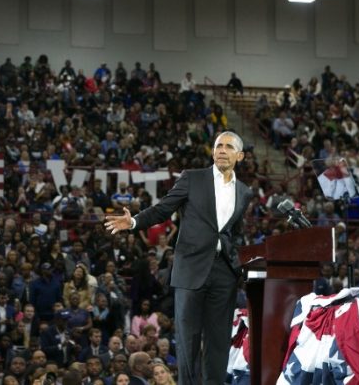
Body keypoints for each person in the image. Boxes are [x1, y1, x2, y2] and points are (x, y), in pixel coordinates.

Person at [106, 131, 253, 385]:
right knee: (188, 342)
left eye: (228, 146)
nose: (221, 150)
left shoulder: (244, 191)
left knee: (218, 342)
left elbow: (235, 233)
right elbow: (163, 208)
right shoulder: (193, 179)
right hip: (191, 269)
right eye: (218, 145)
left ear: (239, 155)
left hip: (224, 273)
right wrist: (134, 221)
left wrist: (237, 264)